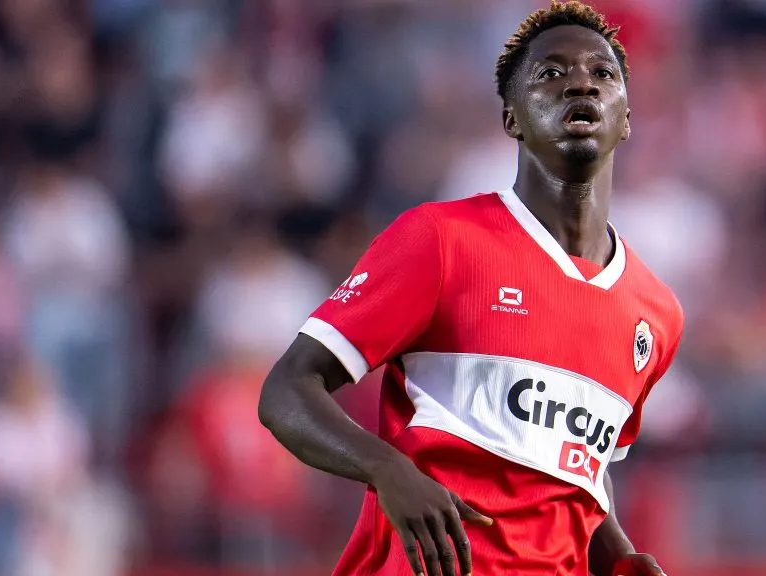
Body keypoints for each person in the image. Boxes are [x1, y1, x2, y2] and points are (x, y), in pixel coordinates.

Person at [258, 2, 684, 575]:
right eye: (551, 73)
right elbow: (287, 389)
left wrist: (620, 559)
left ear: (626, 117)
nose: (580, 82)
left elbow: (575, 472)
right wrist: (388, 470)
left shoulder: (655, 314)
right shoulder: (441, 241)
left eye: (601, 73)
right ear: (512, 118)